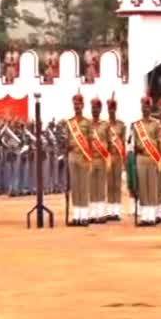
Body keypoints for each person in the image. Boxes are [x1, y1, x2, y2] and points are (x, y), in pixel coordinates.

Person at [132, 95, 161, 226]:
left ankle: (152, 216)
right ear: (141, 108)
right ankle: (145, 217)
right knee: (143, 187)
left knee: (152, 187)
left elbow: (160, 142)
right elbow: (132, 142)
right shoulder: (136, 125)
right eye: (144, 106)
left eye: (148, 106)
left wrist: (157, 155)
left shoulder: (156, 124)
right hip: (141, 159)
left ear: (151, 108)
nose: (146, 109)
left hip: (153, 158)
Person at [67, 91, 93, 227]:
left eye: (78, 104)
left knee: (83, 186)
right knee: (75, 187)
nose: (76, 106)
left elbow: (91, 141)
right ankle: (76, 215)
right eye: (75, 104)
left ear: (83, 106)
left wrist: (89, 157)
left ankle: (84, 216)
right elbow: (66, 140)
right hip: (72, 156)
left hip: (83, 156)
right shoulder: (69, 123)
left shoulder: (87, 123)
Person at [88, 97, 110, 224]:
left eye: (96, 108)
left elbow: (109, 142)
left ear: (100, 109)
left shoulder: (105, 125)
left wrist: (108, 158)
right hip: (90, 159)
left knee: (101, 187)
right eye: (92, 108)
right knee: (91, 187)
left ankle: (101, 214)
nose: (94, 110)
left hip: (101, 159)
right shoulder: (87, 124)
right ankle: (92, 213)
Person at [106, 94, 127, 221]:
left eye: (113, 109)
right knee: (109, 184)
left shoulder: (121, 125)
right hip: (108, 156)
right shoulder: (105, 125)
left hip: (118, 157)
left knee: (117, 184)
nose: (111, 111)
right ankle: (110, 211)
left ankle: (117, 211)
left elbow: (123, 142)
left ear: (115, 110)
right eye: (109, 109)